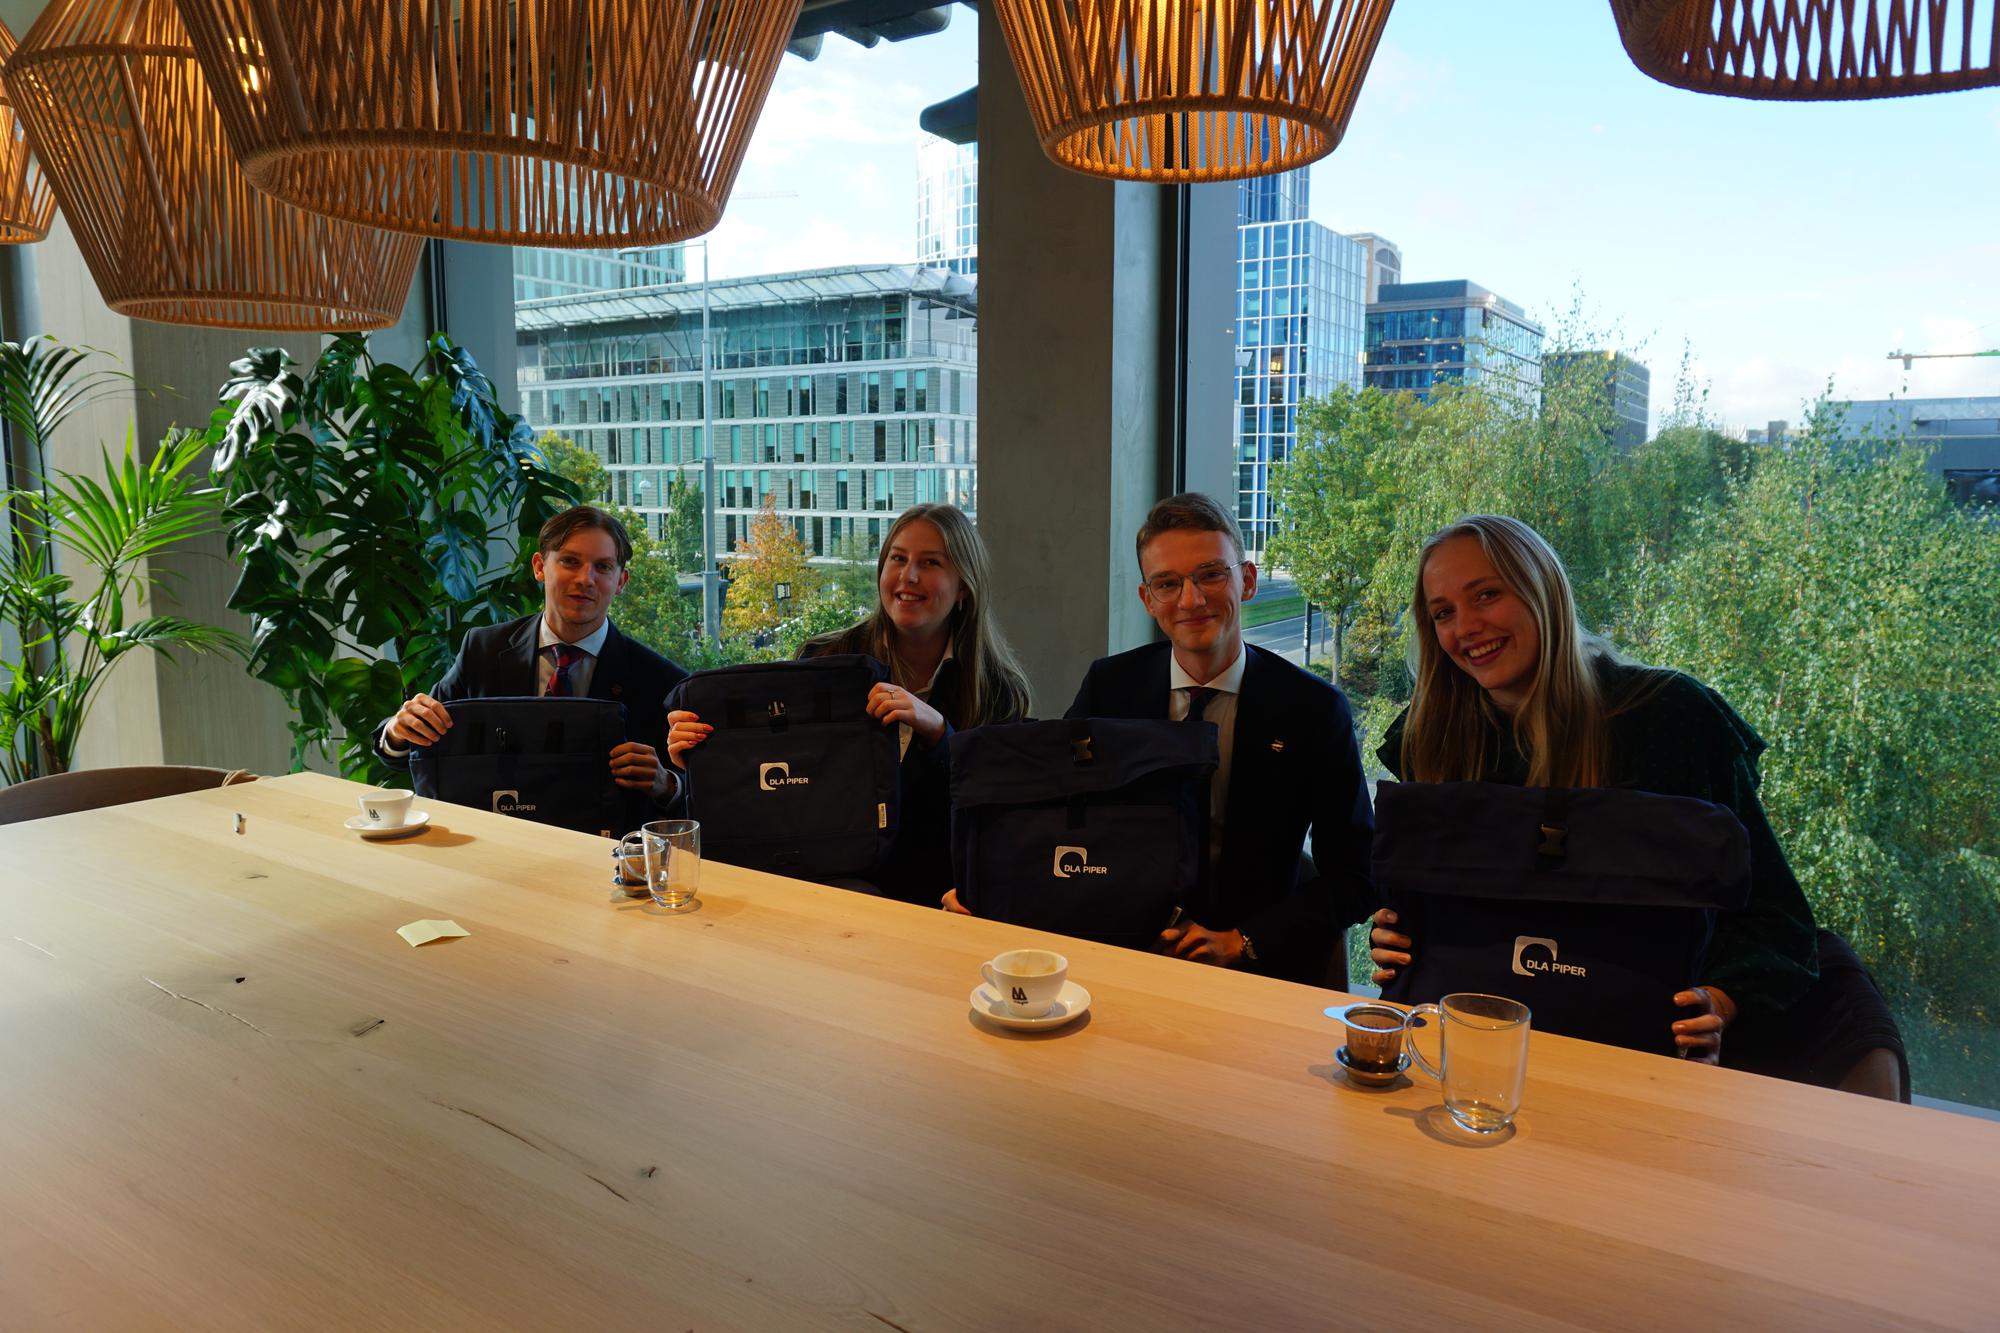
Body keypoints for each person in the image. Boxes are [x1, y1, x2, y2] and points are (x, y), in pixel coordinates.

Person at [1368, 514, 1819, 1062]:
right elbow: (1422, 905)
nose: (1465, 628)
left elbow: (1777, 919)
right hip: (1455, 1051)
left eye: (1486, 595)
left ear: (1544, 590)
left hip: (1630, 1058)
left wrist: (1722, 1000)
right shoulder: (1429, 738)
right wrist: (1396, 932)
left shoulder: (1669, 718)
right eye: (1443, 613)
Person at [976, 491, 1374, 986]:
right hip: (1121, 948)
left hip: (1254, 966)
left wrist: (1244, 941)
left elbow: (1356, 875)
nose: (1191, 600)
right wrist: (987, 887)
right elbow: (1056, 817)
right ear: (1148, 600)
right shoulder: (1109, 687)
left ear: (1247, 580)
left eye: (1211, 574)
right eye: (1168, 583)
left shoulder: (1313, 709)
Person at [667, 503, 1032, 903]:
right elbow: (780, 784)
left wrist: (940, 735)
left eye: (930, 563)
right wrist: (706, 760)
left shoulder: (998, 690)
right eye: (898, 558)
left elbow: (996, 817)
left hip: (936, 899)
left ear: (963, 586)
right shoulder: (826, 660)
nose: (908, 576)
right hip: (826, 888)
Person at [377, 505, 688, 807]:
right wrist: (398, 732)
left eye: (603, 567)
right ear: (540, 567)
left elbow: (696, 790)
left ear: (621, 581)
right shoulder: (483, 650)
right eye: (570, 561)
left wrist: (667, 785)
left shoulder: (661, 679)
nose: (585, 579)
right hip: (499, 834)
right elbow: (412, 748)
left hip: (605, 840)